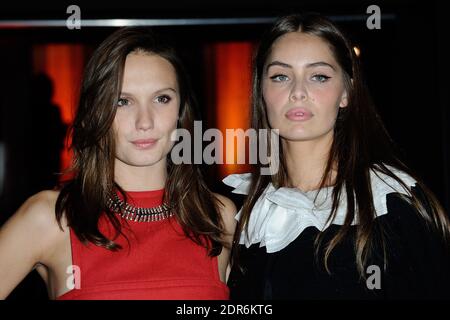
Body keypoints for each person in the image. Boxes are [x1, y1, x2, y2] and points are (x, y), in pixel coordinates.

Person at [223, 13, 450, 299]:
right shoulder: (233, 207)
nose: (298, 92)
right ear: (261, 92)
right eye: (281, 76)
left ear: (346, 92)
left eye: (319, 76)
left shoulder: (394, 204)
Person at [0, 27, 236, 300]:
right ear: (96, 112)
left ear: (181, 111)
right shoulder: (53, 217)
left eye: (162, 99)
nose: (145, 121)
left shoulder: (217, 216)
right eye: (123, 101)